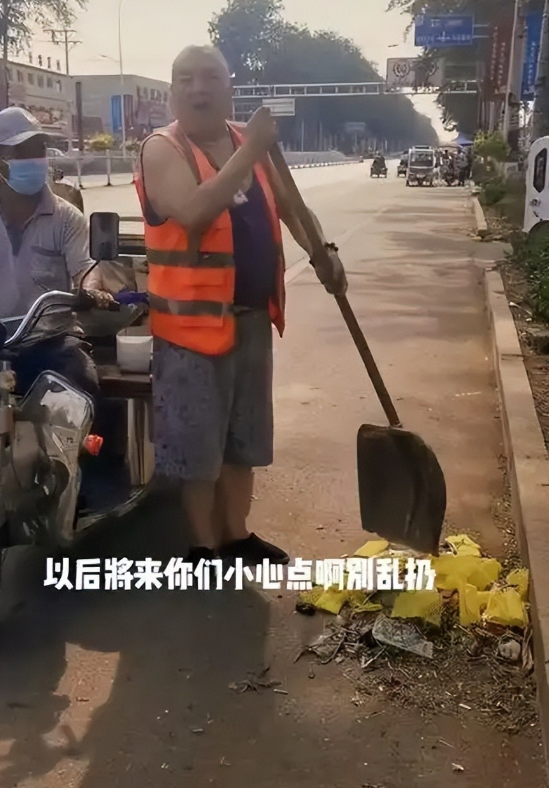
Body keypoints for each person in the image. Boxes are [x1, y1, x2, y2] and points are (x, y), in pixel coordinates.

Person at [136, 45, 347, 566]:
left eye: (209, 77)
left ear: (229, 87)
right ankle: (202, 547)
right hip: (189, 334)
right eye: (185, 79)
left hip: (250, 321)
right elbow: (193, 211)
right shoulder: (162, 149)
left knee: (242, 442)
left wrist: (323, 252)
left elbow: (293, 208)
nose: (198, 89)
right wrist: (251, 149)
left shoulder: (245, 145)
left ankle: (237, 535)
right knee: (197, 449)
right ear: (171, 92)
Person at [0, 106, 114, 401]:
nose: (34, 159)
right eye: (21, 151)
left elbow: (86, 269)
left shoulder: (67, 218)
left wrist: (89, 290)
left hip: (51, 340)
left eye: (38, 150)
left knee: (81, 383)